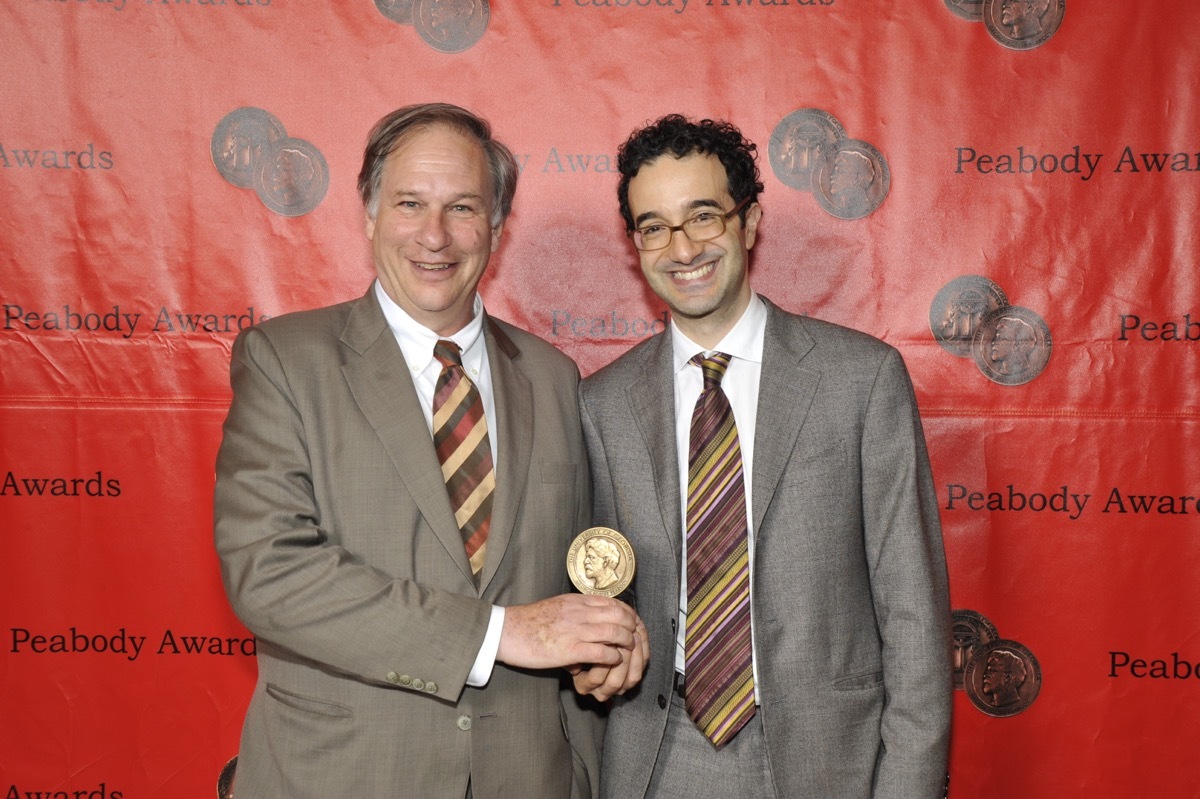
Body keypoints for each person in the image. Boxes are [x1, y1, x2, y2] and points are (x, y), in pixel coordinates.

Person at [214, 102, 646, 799]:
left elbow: (586, 567)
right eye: (410, 203)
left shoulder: (554, 377)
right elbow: (270, 574)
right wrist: (497, 633)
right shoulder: (285, 361)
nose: (435, 235)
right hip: (342, 776)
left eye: (462, 207)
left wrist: (609, 642)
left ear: (496, 227)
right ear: (369, 215)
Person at [575, 114, 952, 798]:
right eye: (654, 226)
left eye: (703, 216)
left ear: (749, 222)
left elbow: (914, 617)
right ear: (635, 245)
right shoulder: (602, 404)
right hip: (660, 758)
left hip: (829, 759)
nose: (682, 247)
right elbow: (598, 588)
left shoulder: (861, 379)